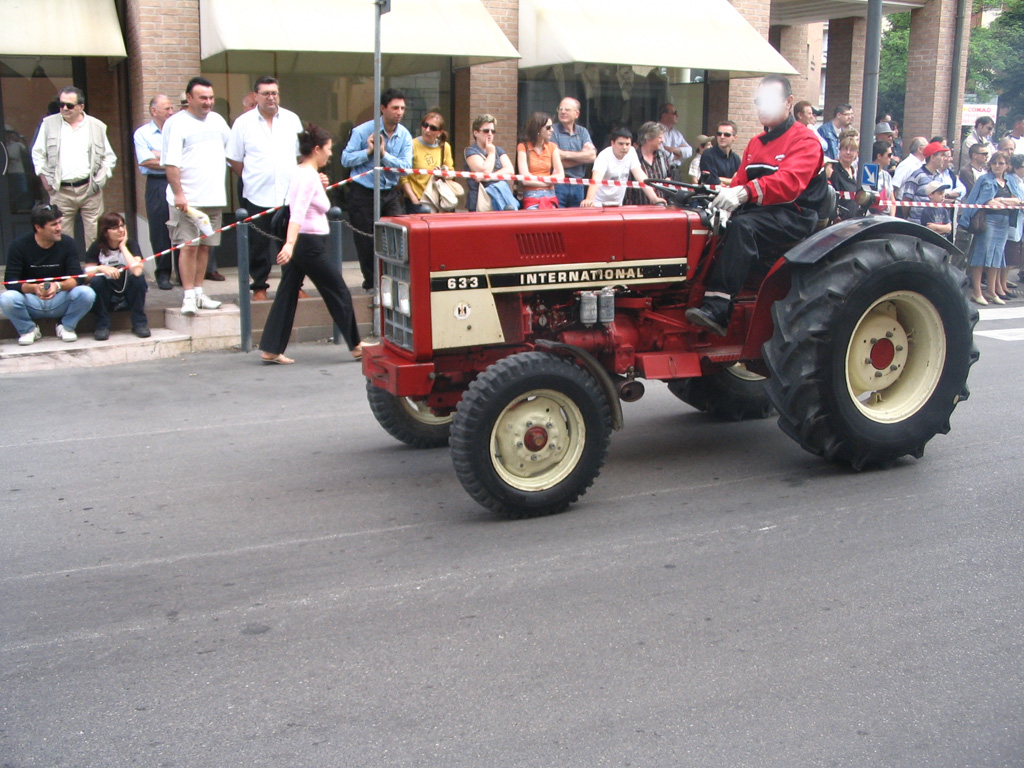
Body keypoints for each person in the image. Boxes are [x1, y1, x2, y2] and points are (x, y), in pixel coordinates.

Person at [686, 75, 826, 336]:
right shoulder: (756, 143)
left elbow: (789, 183)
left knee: (742, 227)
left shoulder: (805, 141)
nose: (763, 107)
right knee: (707, 223)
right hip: (763, 212)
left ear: (789, 102)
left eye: (770, 101)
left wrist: (742, 194)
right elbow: (739, 181)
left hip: (794, 215)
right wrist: (720, 203)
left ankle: (718, 307)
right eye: (759, 101)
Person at [259, 124, 364, 365]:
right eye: (328, 149)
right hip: (308, 244)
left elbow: (305, 203)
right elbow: (297, 211)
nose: (330, 154)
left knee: (287, 292)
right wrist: (290, 243)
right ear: (316, 149)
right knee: (337, 290)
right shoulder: (307, 176)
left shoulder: (304, 173)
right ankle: (356, 345)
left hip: (303, 242)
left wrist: (321, 185)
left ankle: (271, 348)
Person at [227, 76, 304, 302]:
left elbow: (301, 155)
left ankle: (294, 286)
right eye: (266, 93)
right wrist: (251, 177)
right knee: (258, 245)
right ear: (256, 96)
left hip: (288, 195)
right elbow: (234, 159)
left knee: (289, 242)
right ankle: (259, 287)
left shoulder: (291, 120)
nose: (271, 97)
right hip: (256, 194)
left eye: (274, 93)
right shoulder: (243, 123)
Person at [162, 76, 227, 316]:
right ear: (189, 98)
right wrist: (179, 194)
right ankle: (188, 296)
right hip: (187, 201)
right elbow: (170, 163)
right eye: (203, 98)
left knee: (206, 248)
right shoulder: (176, 123)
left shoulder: (218, 121)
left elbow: (231, 151)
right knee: (188, 247)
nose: (208, 102)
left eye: (211, 98)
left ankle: (200, 293)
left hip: (213, 198)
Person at [341, 88, 413, 290]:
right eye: (395, 108)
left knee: (398, 236)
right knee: (366, 240)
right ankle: (372, 283)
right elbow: (345, 159)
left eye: (402, 108)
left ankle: (395, 280)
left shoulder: (404, 135)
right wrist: (369, 152)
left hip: (390, 192)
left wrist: (383, 155)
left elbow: (406, 168)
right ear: (383, 108)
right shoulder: (364, 130)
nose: (399, 112)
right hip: (363, 192)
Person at [30, 86, 117, 244]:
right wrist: (45, 180)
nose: (64, 108)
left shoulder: (96, 126)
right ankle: (68, 269)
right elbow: (37, 153)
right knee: (61, 236)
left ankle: (94, 268)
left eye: (69, 105)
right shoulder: (48, 124)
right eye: (61, 104)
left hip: (90, 188)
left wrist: (100, 180)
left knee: (95, 236)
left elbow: (109, 157)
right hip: (61, 189)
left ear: (81, 106)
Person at [1, 204, 95, 345]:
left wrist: (57, 286)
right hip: (31, 300)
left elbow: (77, 277)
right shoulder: (19, 245)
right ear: (38, 227)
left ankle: (66, 326)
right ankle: (28, 329)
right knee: (7, 299)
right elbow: (10, 282)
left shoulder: (68, 243)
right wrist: (34, 288)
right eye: (53, 224)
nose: (59, 228)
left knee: (86, 293)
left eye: (59, 223)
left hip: (60, 298)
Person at [958, 151, 1024, 304]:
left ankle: (991, 291)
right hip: (987, 221)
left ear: (1007, 166)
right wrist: (996, 202)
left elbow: (1018, 200)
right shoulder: (984, 179)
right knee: (981, 255)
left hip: (1005, 221)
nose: (997, 166)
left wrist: (1000, 199)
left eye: (1001, 163)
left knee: (997, 256)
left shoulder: (1010, 181)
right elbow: (982, 201)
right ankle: (977, 292)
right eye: (994, 163)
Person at [133, 94, 177, 290]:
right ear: (154, 111)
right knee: (160, 230)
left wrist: (159, 155)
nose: (171, 112)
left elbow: (186, 156)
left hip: (180, 182)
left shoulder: (178, 130)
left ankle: (185, 274)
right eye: (167, 109)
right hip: (157, 184)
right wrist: (172, 160)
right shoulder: (142, 134)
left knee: (184, 227)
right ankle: (163, 273)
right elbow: (145, 160)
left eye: (171, 108)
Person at [84, 212, 150, 339]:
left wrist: (123, 247)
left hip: (127, 290)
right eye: (115, 228)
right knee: (97, 281)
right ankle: (102, 325)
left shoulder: (131, 244)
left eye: (122, 226)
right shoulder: (96, 247)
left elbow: (137, 270)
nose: (121, 230)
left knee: (139, 279)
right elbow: (86, 275)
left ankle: (139, 324)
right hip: (107, 292)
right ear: (105, 232)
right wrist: (100, 268)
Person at [580, 127, 665, 208]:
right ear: (612, 143)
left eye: (627, 144)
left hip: (618, 204)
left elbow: (641, 176)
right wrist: (589, 199)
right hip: (598, 204)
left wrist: (654, 198)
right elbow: (596, 180)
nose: (624, 147)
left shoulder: (631, 152)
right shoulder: (604, 156)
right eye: (621, 144)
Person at [400, 111, 454, 214]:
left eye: (433, 128)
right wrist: (413, 199)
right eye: (425, 125)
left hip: (437, 199)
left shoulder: (444, 147)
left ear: (440, 132)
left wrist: (444, 173)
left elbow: (451, 173)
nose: (427, 130)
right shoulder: (411, 145)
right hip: (417, 201)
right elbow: (403, 176)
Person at [464, 114, 518, 212]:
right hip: (479, 202)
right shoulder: (470, 151)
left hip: (500, 200)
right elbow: (484, 170)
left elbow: (510, 170)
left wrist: (490, 176)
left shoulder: (499, 150)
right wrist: (491, 153)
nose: (490, 134)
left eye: (492, 131)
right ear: (475, 132)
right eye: (486, 131)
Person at [551, 98, 596, 208]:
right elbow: (553, 159)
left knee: (575, 219)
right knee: (557, 219)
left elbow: (592, 156)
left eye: (567, 109)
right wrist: (581, 157)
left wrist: (564, 155)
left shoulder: (583, 132)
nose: (563, 112)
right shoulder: (552, 131)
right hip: (559, 184)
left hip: (578, 184)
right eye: (560, 109)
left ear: (577, 114)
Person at [517, 112, 564, 210]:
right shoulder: (523, 147)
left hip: (550, 195)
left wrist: (535, 179)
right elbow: (525, 180)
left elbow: (561, 176)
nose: (552, 130)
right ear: (537, 129)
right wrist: (550, 181)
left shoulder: (552, 147)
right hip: (531, 196)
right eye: (548, 127)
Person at [901, 141, 955, 223]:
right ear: (932, 157)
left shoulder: (939, 177)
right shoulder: (917, 176)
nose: (945, 158)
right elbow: (906, 200)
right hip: (917, 223)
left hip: (934, 223)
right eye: (942, 155)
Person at [700, 121, 741, 186]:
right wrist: (731, 181)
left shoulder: (736, 159)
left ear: (735, 138)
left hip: (732, 195)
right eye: (719, 134)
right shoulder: (708, 154)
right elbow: (712, 181)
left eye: (726, 134)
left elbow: (740, 181)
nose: (722, 137)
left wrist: (720, 179)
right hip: (712, 195)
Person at [829, 134, 860, 220]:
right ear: (840, 151)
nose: (848, 152)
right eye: (845, 149)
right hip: (839, 220)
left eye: (852, 150)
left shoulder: (856, 171)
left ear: (857, 153)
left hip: (854, 218)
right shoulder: (834, 170)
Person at [657, 103, 692, 178]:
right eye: (674, 113)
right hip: (661, 172)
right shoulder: (656, 131)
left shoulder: (677, 134)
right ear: (664, 116)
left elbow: (689, 151)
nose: (677, 115)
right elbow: (662, 154)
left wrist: (672, 149)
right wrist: (680, 154)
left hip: (676, 172)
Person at [868, 140, 896, 216]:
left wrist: (892, 218)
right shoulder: (867, 173)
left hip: (886, 219)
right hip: (870, 219)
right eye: (889, 155)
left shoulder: (887, 176)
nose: (891, 158)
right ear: (879, 156)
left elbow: (892, 199)